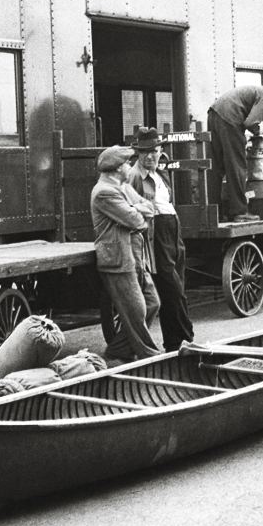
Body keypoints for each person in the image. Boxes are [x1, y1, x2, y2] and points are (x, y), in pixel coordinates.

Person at [90, 145, 161, 364]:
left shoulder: (121, 187)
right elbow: (137, 220)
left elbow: (149, 207)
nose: (130, 166)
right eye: (127, 163)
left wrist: (138, 208)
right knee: (136, 312)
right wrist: (139, 210)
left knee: (152, 303)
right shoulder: (104, 192)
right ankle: (150, 356)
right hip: (117, 259)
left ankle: (117, 351)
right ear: (117, 168)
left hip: (134, 255)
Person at [127, 127, 195, 352]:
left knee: (177, 288)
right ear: (137, 153)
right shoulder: (135, 175)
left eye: (154, 151)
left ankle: (173, 343)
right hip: (156, 236)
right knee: (173, 289)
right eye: (145, 152)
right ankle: (187, 338)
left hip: (173, 231)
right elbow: (129, 206)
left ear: (160, 151)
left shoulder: (160, 172)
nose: (150, 156)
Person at [207, 78, 263, 222]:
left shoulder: (259, 90)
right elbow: (251, 122)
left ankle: (214, 212)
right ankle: (239, 212)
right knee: (237, 166)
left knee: (217, 167)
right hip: (230, 117)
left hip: (214, 113)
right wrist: (258, 130)